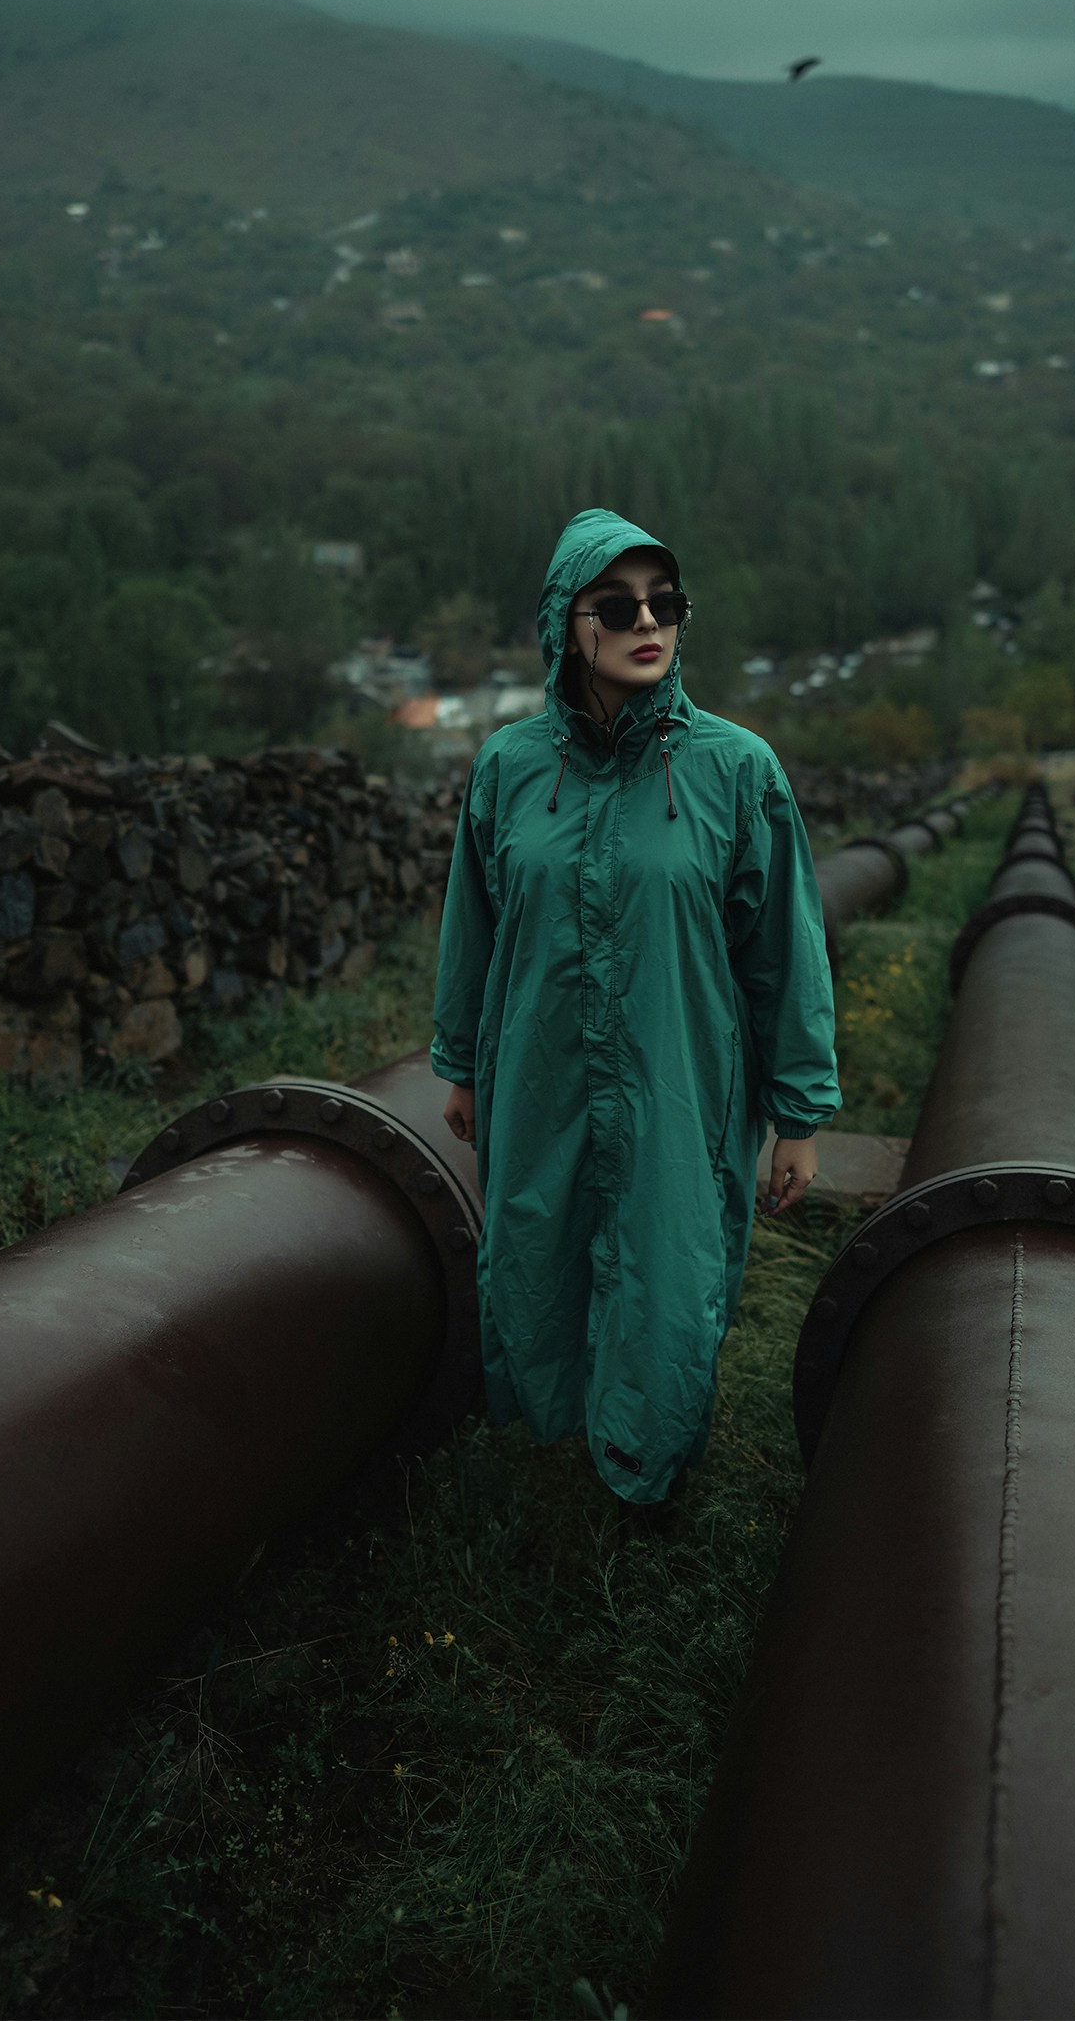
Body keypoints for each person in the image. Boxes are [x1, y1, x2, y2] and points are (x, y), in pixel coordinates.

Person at [430, 507, 840, 1515]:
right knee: (538, 1255)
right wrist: (460, 1061)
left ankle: (646, 1495)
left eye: (665, 602)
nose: (646, 622)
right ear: (566, 626)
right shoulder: (510, 768)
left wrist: (799, 1112)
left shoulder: (733, 769)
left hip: (679, 1077)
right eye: (616, 606)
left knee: (664, 1279)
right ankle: (556, 1466)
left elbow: (782, 951)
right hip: (538, 1072)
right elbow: (472, 926)